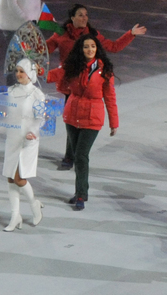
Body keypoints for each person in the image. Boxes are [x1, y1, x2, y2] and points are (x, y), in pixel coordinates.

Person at [46, 3, 146, 170]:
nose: (84, 18)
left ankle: (75, 155)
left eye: (86, 15)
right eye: (80, 15)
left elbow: (113, 47)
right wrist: (31, 47)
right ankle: (69, 156)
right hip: (69, 83)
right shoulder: (61, 34)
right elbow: (44, 49)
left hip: (89, 84)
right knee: (71, 122)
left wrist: (131, 34)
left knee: (80, 123)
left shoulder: (92, 36)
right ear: (72, 17)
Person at [47, 34, 119, 211]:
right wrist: (34, 70)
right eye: (86, 46)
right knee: (77, 154)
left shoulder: (105, 70)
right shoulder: (72, 66)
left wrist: (113, 122)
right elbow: (53, 75)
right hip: (72, 116)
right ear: (81, 48)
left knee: (80, 155)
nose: (90, 50)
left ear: (97, 49)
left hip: (92, 118)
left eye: (93, 46)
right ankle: (81, 192)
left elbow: (110, 97)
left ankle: (80, 195)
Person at [0, 58, 45, 232]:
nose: (18, 74)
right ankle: (15, 215)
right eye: (17, 71)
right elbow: (7, 114)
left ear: (30, 73)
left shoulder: (37, 94)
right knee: (10, 178)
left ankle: (34, 204)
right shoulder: (10, 91)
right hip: (12, 138)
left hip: (28, 140)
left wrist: (32, 132)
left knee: (19, 178)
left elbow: (41, 118)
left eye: (22, 71)